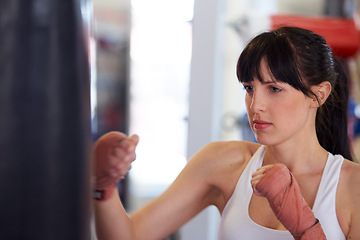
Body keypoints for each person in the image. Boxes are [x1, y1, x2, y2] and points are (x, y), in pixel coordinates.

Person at [92, 27, 360, 240]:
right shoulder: (225, 164)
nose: (256, 106)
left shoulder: (352, 187)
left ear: (319, 95)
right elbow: (129, 236)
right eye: (249, 88)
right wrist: (103, 187)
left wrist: (305, 228)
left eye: (274, 89)